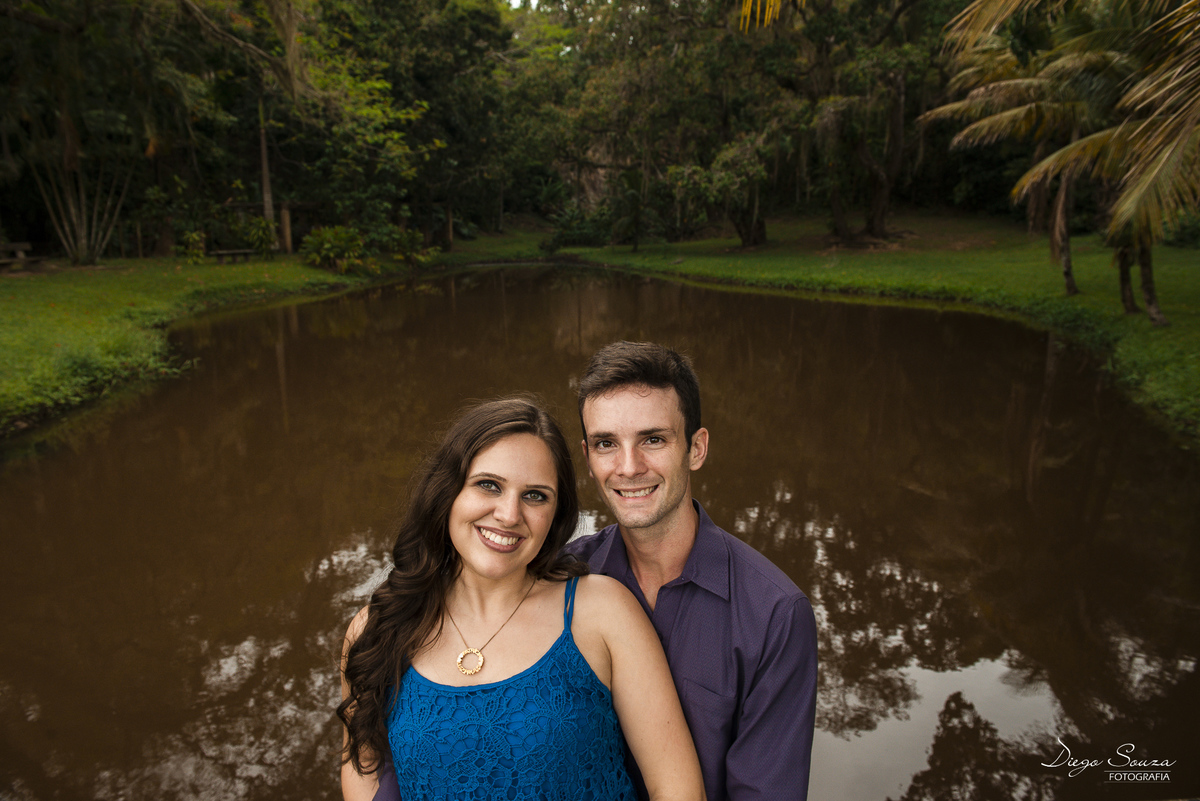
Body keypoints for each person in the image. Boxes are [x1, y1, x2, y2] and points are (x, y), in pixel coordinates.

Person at [338, 396, 704, 801]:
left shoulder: (601, 612)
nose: (510, 514)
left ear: (555, 515)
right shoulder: (377, 628)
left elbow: (677, 787)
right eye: (488, 485)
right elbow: (362, 768)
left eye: (535, 496)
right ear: (448, 492)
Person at [564, 341, 819, 801]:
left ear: (696, 449)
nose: (628, 467)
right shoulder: (563, 578)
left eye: (653, 439)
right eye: (606, 444)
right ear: (587, 457)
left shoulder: (775, 616)